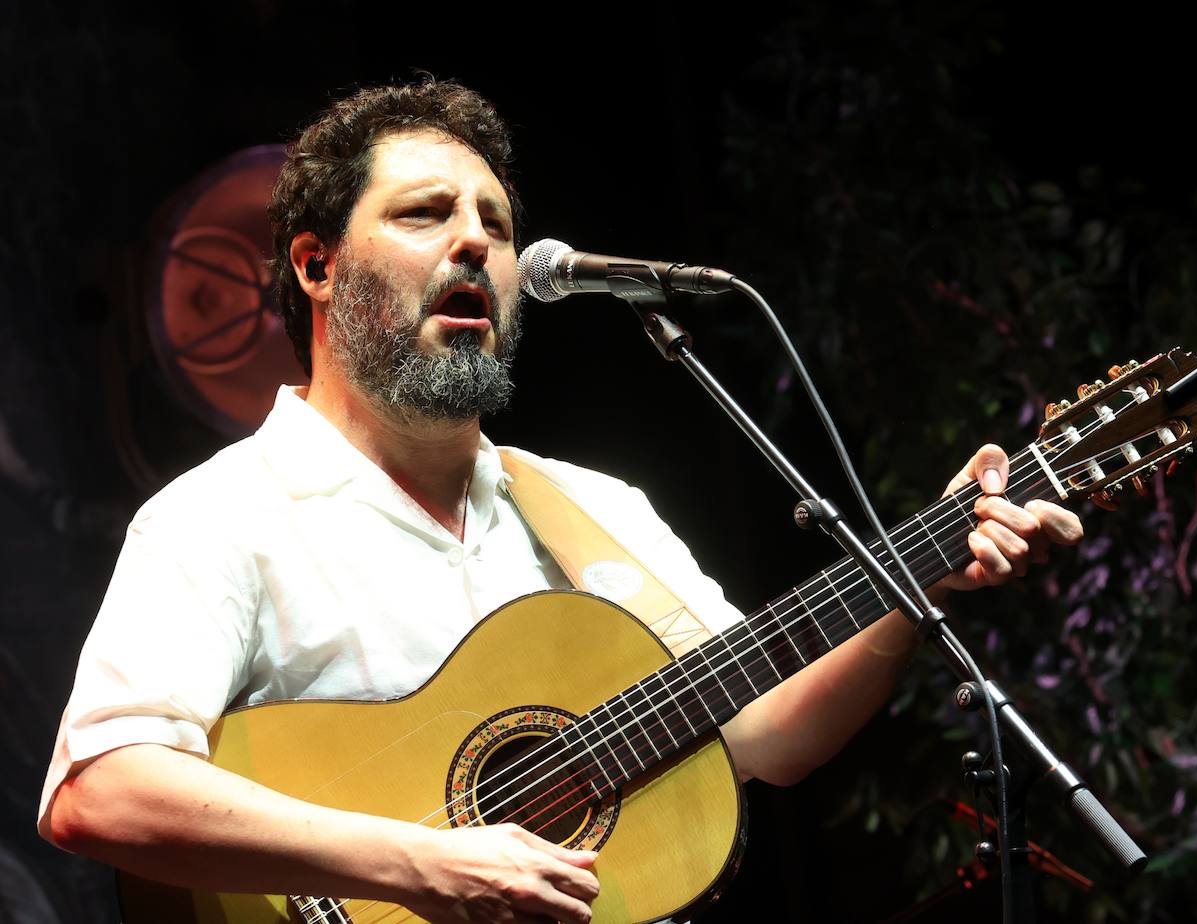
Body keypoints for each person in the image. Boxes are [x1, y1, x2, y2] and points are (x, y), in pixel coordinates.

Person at [38, 80, 1083, 924]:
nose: (475, 246)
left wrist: (914, 580)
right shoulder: (223, 515)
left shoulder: (592, 508)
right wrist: (419, 864)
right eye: (425, 213)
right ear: (316, 264)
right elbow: (101, 792)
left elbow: (764, 735)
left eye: (493, 222)